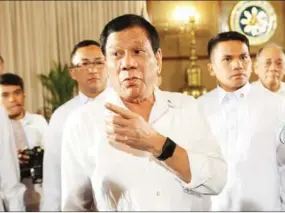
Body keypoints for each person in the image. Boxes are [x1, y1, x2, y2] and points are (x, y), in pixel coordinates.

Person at [61, 14, 227, 211]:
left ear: (158, 59)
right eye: (116, 54)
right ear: (107, 64)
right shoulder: (83, 121)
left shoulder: (186, 107)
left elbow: (217, 179)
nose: (127, 63)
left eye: (138, 51)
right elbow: (75, 206)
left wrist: (155, 142)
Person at [198, 31, 285, 211]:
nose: (238, 65)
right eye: (227, 59)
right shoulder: (199, 108)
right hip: (216, 207)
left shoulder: (277, 105)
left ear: (251, 64)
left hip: (266, 206)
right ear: (211, 68)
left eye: (243, 57)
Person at [41, 40, 108, 211]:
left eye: (99, 62)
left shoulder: (124, 107)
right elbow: (53, 172)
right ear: (73, 72)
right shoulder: (61, 116)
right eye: (84, 64)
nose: (92, 69)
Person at [0, 73, 48, 211]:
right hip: (6, 200)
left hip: (41, 195)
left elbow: (53, 155)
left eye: (17, 93)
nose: (13, 99)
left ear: (24, 94)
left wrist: (36, 155)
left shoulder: (39, 122)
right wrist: (12, 159)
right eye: (5, 95)